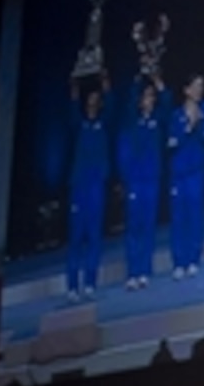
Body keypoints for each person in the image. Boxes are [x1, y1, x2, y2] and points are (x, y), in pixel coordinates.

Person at [117, 75, 172, 291]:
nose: (149, 100)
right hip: (135, 180)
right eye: (146, 97)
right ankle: (133, 272)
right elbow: (130, 103)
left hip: (152, 179)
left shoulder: (157, 119)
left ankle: (144, 271)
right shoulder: (133, 121)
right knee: (134, 227)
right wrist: (138, 79)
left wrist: (159, 83)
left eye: (152, 97)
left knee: (148, 226)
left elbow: (168, 105)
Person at [65, 72, 113, 301]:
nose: (93, 103)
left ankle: (90, 282)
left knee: (94, 236)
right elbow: (72, 111)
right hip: (79, 187)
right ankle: (72, 285)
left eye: (97, 100)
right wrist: (75, 90)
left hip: (96, 188)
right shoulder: (79, 124)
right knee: (76, 237)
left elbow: (112, 106)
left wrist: (105, 83)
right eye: (90, 100)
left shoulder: (104, 124)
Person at [167, 73, 204, 279]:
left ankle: (194, 259)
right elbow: (171, 141)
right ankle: (179, 261)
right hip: (179, 171)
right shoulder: (175, 115)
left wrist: (200, 125)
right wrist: (188, 126)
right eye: (195, 86)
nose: (199, 90)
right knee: (179, 217)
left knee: (195, 214)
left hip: (197, 169)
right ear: (186, 90)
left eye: (201, 86)